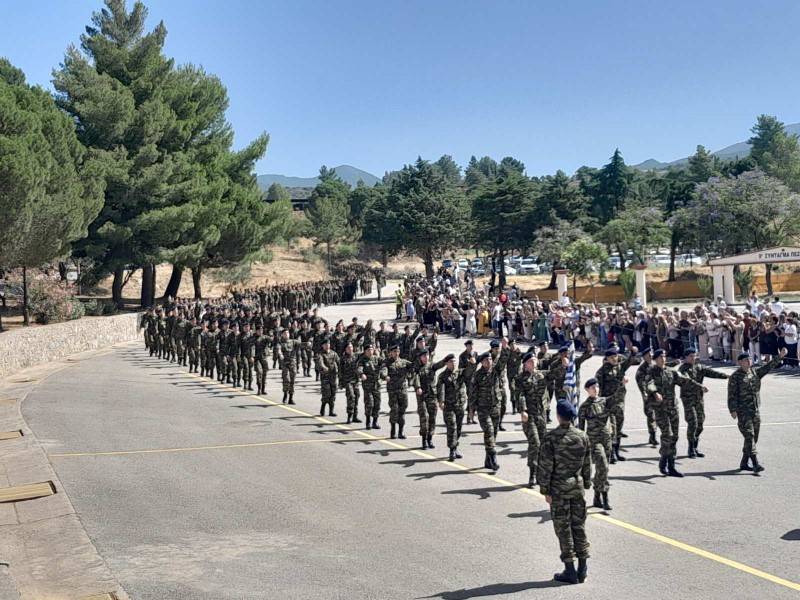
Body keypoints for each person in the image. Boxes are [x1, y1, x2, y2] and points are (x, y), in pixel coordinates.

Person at [538, 399, 592, 585]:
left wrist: (545, 489)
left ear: (558, 416)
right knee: (579, 527)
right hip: (576, 489)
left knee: (564, 530)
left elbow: (545, 467)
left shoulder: (551, 438)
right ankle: (583, 568)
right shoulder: (582, 436)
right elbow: (587, 463)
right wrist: (586, 482)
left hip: (559, 491)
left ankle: (570, 570)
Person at [645, 349, 705, 477]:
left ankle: (671, 465)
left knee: (675, 436)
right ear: (655, 359)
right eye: (660, 357)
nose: (663, 359)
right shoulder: (651, 372)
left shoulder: (671, 372)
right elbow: (649, 384)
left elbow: (685, 381)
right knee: (668, 434)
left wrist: (699, 386)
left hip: (673, 408)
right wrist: (655, 393)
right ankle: (663, 460)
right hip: (660, 409)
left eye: (665, 356)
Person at [727, 348, 786, 473]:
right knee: (749, 435)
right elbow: (731, 395)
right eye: (745, 360)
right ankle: (755, 464)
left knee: (754, 439)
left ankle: (744, 463)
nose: (748, 362)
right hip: (743, 412)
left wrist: (780, 356)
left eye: (749, 359)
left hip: (755, 410)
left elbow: (768, 367)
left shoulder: (754, 373)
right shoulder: (735, 377)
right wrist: (732, 410)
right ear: (739, 363)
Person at [678, 348, 728, 458]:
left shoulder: (699, 367)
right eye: (690, 356)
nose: (693, 358)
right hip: (688, 399)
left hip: (699, 399)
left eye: (694, 355)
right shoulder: (682, 369)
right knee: (693, 422)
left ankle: (695, 446)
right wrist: (700, 386)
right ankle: (690, 448)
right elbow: (687, 381)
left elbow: (711, 372)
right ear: (686, 357)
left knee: (700, 423)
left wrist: (726, 376)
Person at [469, 338, 509, 471]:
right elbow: (473, 393)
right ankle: (493, 457)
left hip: (495, 407)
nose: (489, 361)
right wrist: (471, 410)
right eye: (486, 360)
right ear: (482, 362)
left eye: (491, 360)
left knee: (493, 433)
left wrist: (505, 347)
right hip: (483, 409)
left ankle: (488, 459)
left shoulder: (495, 371)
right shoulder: (478, 375)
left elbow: (503, 360)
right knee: (489, 430)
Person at [516, 352, 550, 487]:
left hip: (541, 415)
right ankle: (532, 474)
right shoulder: (520, 378)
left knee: (542, 445)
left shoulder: (541, 375)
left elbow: (555, 373)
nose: (534, 362)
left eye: (535, 360)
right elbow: (520, 395)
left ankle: (541, 473)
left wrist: (565, 364)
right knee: (535, 443)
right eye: (531, 361)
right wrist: (523, 410)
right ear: (525, 364)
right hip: (529, 416)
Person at [578, 378, 612, 510]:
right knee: (602, 464)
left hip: (606, 439)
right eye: (593, 388)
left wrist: (623, 385)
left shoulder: (604, 401)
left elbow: (616, 400)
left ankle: (597, 496)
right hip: (594, 440)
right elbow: (581, 429)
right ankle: (605, 496)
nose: (596, 389)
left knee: (604, 469)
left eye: (597, 387)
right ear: (587, 390)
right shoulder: (584, 407)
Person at [413, 350, 448, 449]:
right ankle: (424, 440)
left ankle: (430, 439)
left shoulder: (431, 366)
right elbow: (415, 378)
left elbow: (439, 365)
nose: (425, 357)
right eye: (423, 356)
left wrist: (445, 360)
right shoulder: (417, 367)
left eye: (427, 355)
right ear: (420, 357)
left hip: (433, 396)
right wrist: (417, 387)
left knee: (432, 418)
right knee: (424, 417)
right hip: (422, 397)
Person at [436, 354, 465, 461]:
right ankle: (452, 450)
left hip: (460, 404)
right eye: (451, 362)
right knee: (452, 427)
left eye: (454, 361)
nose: (453, 363)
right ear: (447, 364)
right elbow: (441, 389)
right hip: (448, 406)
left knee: (459, 427)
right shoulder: (443, 376)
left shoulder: (460, 373)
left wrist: (472, 363)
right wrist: (441, 401)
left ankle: (455, 446)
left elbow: (470, 372)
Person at [383, 345, 414, 439]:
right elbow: (383, 371)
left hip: (402, 390)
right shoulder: (387, 362)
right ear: (391, 353)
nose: (396, 353)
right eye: (394, 351)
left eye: (397, 351)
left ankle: (401, 431)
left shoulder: (404, 362)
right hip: (392, 390)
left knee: (402, 410)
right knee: (394, 409)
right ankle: (393, 430)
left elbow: (413, 366)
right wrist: (385, 376)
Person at [357, 344, 384, 430]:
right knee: (369, 404)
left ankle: (375, 422)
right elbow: (359, 369)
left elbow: (385, 362)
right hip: (368, 386)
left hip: (377, 385)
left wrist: (380, 354)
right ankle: (368, 421)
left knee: (377, 404)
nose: (370, 351)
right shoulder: (362, 360)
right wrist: (362, 374)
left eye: (371, 349)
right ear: (365, 351)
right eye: (368, 350)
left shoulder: (377, 358)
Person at [316, 338, 340, 416]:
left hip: (333, 376)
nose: (327, 345)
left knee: (333, 394)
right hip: (325, 377)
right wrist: (324, 368)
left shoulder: (334, 353)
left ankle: (331, 411)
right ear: (323, 346)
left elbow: (339, 362)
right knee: (326, 394)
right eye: (325, 344)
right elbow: (320, 363)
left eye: (328, 344)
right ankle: (322, 408)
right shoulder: (320, 354)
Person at [339, 342, 361, 424]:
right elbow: (340, 371)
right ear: (345, 349)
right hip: (347, 381)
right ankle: (349, 416)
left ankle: (355, 416)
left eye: (351, 347)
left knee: (357, 397)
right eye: (348, 347)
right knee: (351, 397)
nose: (350, 349)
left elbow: (365, 354)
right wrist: (340, 382)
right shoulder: (343, 358)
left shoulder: (356, 356)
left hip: (356, 381)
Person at [277, 328, 299, 404]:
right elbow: (278, 349)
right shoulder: (280, 343)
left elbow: (301, 344)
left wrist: (307, 343)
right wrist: (280, 355)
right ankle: (285, 394)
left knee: (292, 381)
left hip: (293, 363)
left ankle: (291, 398)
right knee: (286, 379)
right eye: (285, 333)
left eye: (288, 333)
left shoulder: (293, 341)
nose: (287, 334)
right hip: (285, 363)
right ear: (282, 335)